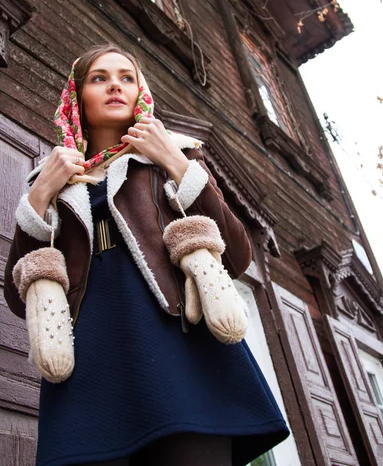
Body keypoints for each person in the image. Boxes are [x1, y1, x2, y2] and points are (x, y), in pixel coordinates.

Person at [4, 43, 289, 466]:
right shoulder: (51, 179)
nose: (115, 86)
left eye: (127, 77)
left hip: (179, 349)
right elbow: (18, 294)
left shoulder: (175, 154)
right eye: (100, 78)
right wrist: (41, 193)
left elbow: (237, 255)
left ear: (141, 91)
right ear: (77, 95)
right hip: (91, 361)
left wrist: (175, 161)